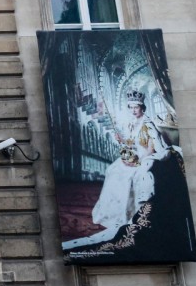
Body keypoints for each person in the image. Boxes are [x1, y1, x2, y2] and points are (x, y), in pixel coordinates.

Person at [63, 89, 165, 251]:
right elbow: (130, 144)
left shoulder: (148, 125)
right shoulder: (132, 123)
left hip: (146, 158)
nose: (133, 110)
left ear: (142, 107)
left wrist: (136, 160)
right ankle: (112, 214)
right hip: (134, 156)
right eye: (130, 107)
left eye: (136, 107)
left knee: (127, 176)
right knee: (113, 170)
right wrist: (122, 141)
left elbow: (151, 149)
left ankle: (127, 214)